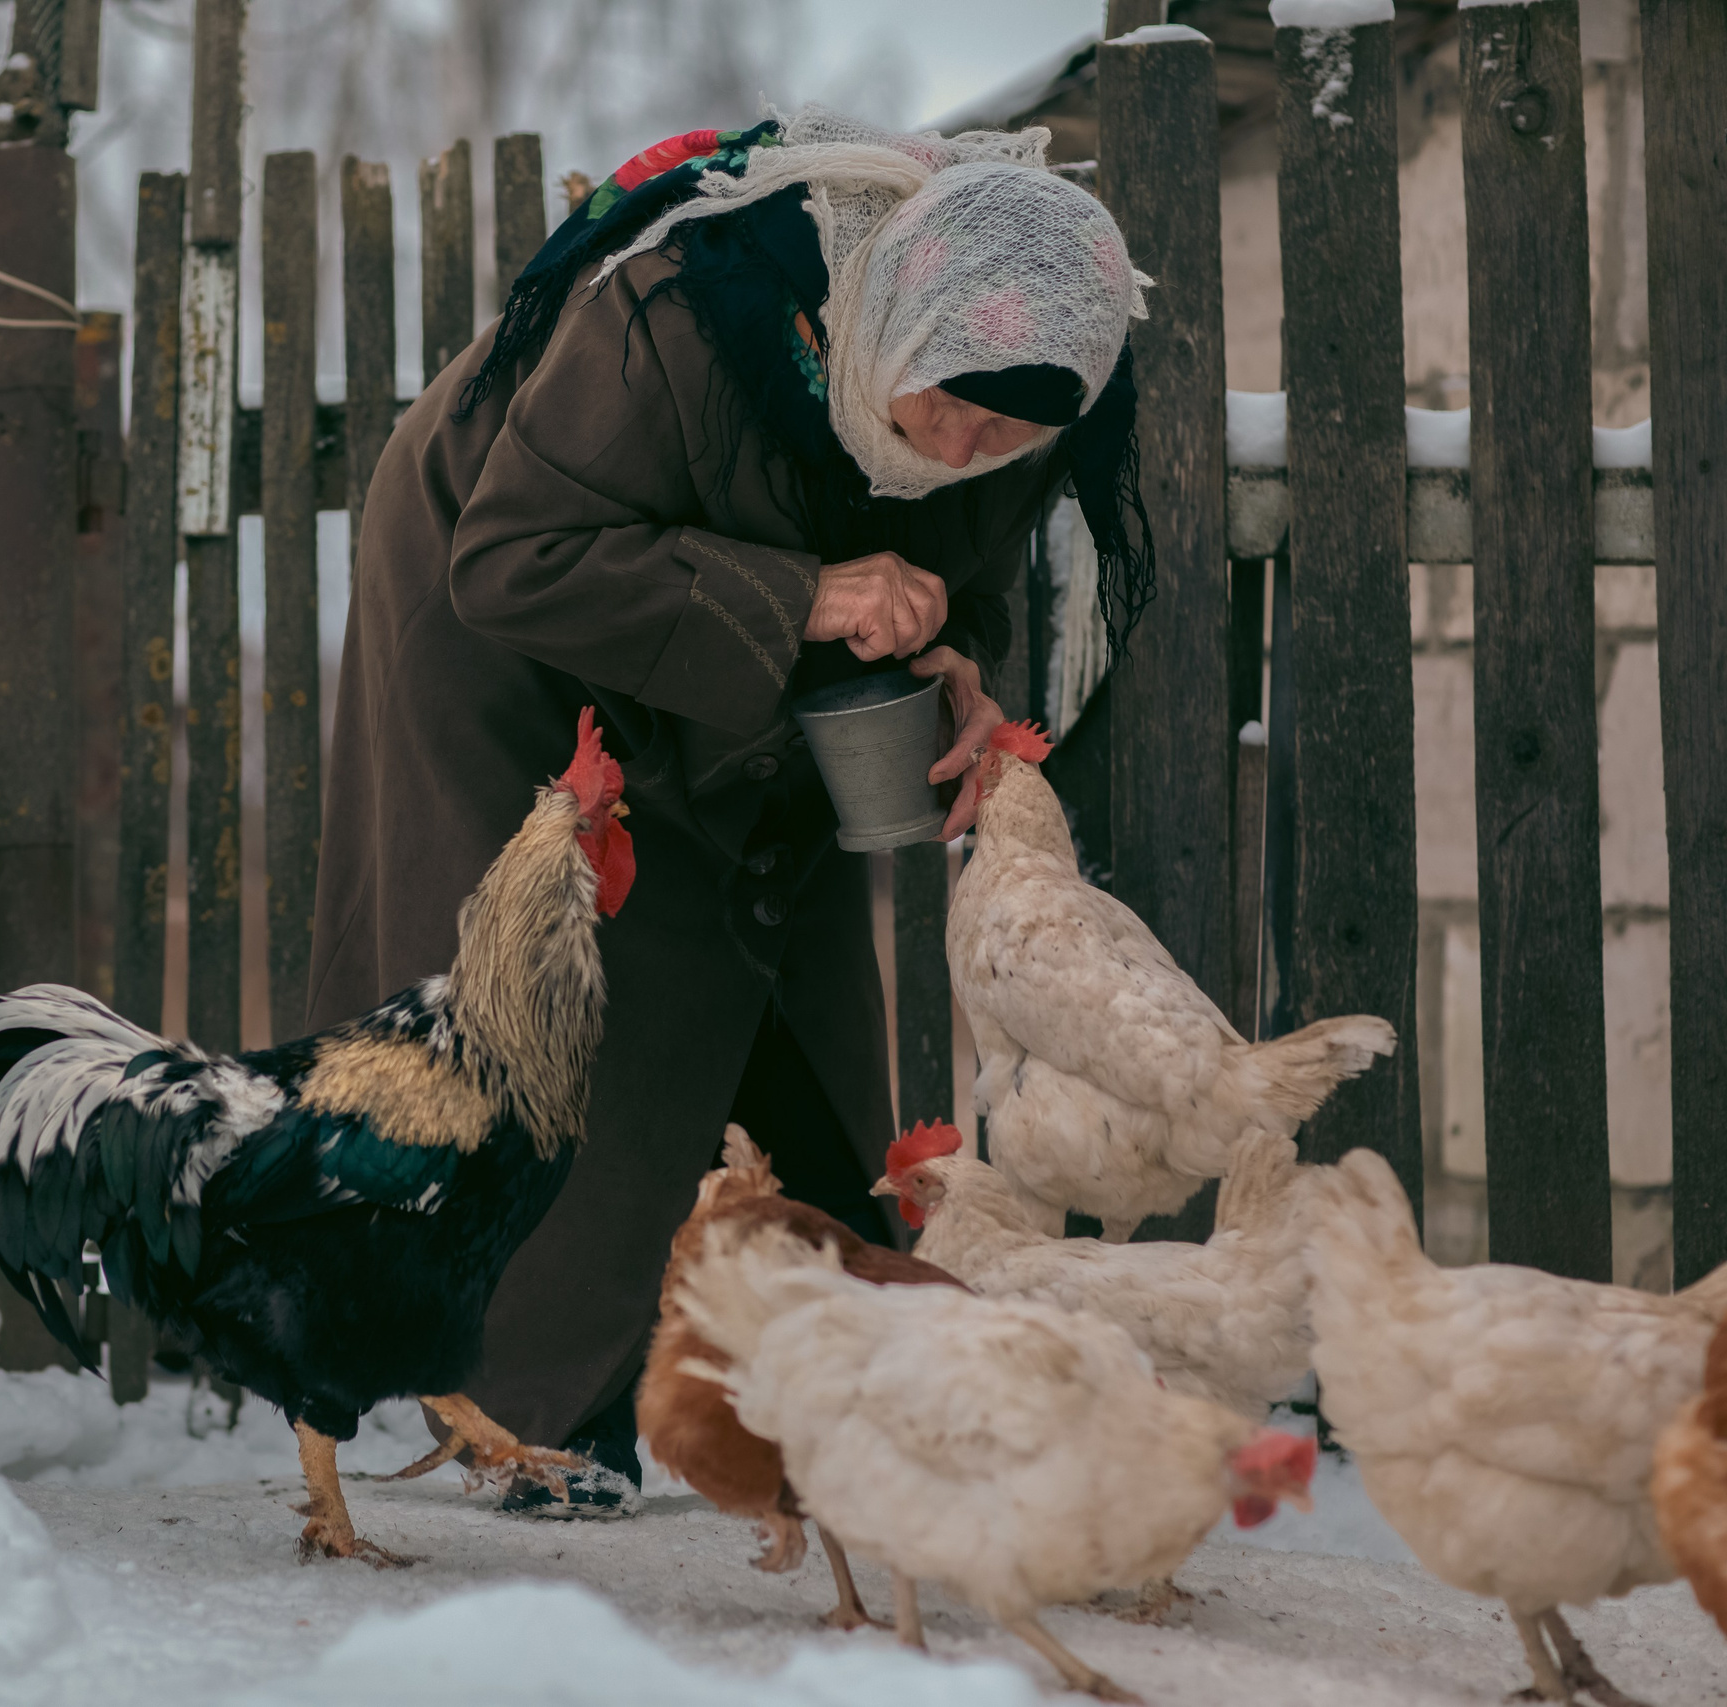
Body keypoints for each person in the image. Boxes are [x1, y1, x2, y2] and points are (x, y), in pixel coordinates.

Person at [305, 108, 1153, 1491]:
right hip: (506, 594)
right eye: (950, 405)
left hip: (745, 630)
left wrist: (957, 664)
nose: (963, 447)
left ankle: (805, 1371)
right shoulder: (680, 327)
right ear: (897, 324)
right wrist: (806, 596)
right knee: (573, 975)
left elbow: (971, 572)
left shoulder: (1027, 396)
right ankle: (541, 1412)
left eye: (1006, 432)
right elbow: (516, 559)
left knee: (778, 945)